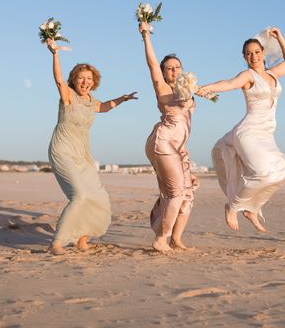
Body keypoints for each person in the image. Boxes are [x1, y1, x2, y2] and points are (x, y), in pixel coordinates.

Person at [198, 27, 285, 232]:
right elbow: (230, 83)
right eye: (249, 53)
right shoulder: (248, 75)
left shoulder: (273, 74)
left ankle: (253, 208)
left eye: (257, 52)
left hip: (267, 133)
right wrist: (207, 88)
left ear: (264, 53)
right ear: (244, 57)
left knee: (281, 172)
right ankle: (232, 206)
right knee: (261, 172)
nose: (253, 56)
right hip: (249, 132)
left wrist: (280, 37)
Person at [46, 39, 137, 255]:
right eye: (80, 78)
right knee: (79, 195)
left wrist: (122, 99)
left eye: (89, 78)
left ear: (94, 81)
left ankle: (81, 240)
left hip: (83, 154)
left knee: (99, 197)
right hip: (63, 149)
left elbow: (104, 108)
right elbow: (58, 80)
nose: (85, 81)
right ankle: (57, 242)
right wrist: (55, 54)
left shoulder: (91, 101)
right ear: (74, 80)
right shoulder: (68, 95)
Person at [139, 21, 200, 253]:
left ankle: (176, 238)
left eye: (177, 67)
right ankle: (161, 239)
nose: (174, 71)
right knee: (175, 193)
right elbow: (152, 63)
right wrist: (146, 35)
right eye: (169, 68)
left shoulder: (187, 90)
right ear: (164, 73)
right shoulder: (163, 89)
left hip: (179, 147)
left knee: (188, 194)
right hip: (162, 142)